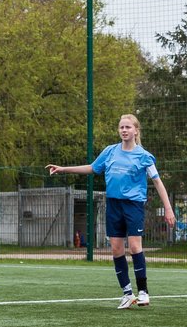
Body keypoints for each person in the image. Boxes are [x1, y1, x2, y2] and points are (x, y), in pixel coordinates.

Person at [46, 113, 176, 309]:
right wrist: (63, 169)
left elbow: (157, 182)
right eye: (121, 127)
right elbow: (92, 168)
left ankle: (143, 292)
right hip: (113, 205)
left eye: (128, 127)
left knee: (134, 247)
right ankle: (127, 293)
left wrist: (168, 208)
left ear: (136, 131)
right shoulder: (110, 152)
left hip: (133, 205)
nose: (124, 130)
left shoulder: (144, 156)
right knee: (116, 249)